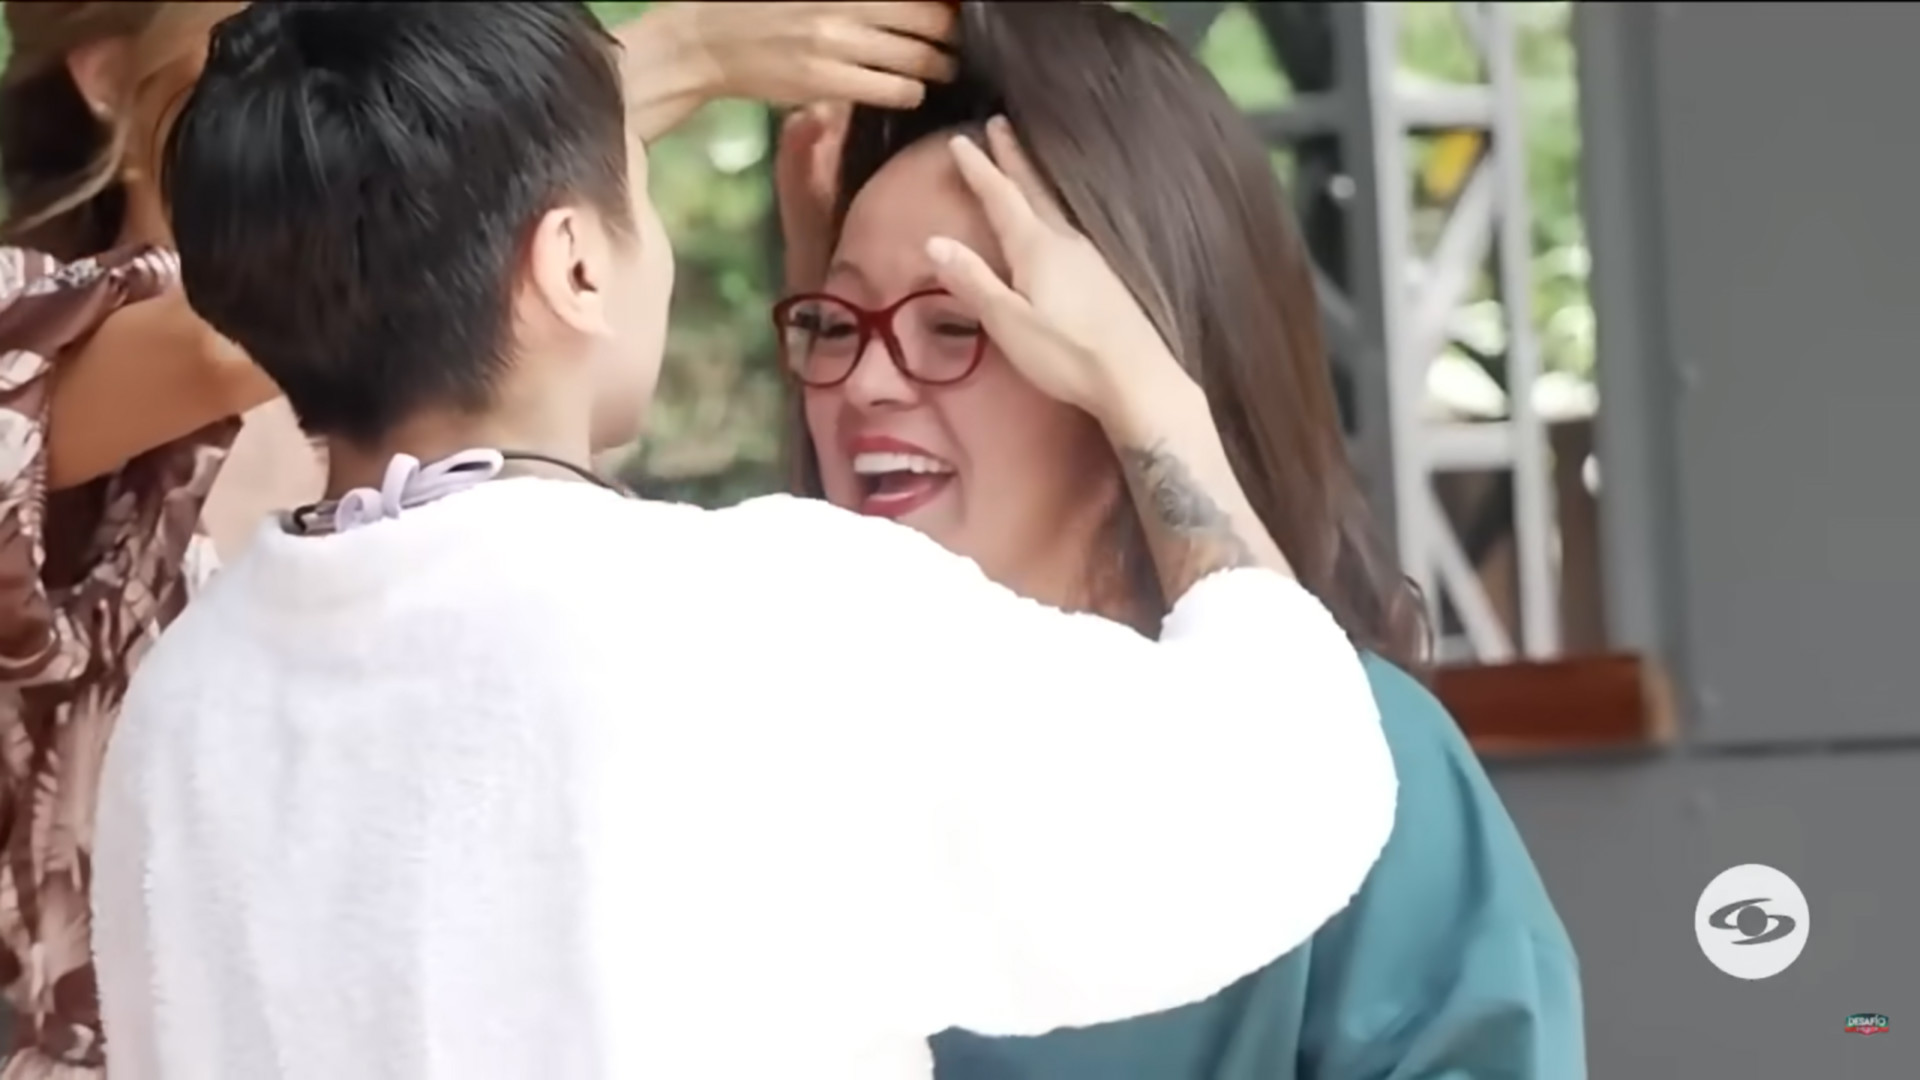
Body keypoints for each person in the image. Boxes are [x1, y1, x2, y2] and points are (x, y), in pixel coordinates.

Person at [90, 4, 1395, 1080]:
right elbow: (1288, 794)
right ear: (575, 265)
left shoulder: (185, 696)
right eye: (637, 195)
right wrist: (1154, 393)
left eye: (951, 327)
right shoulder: (747, 623)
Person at [0, 0, 967, 1074]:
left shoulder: (518, 484)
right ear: (102, 74)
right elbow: (264, 312)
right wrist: (640, 71)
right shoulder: (30, 354)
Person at [777, 3, 1586, 1077]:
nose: (867, 381)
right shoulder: (767, 746)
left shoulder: (1365, 763)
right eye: (835, 324)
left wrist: (1156, 407)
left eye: (959, 325)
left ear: (1120, 364)